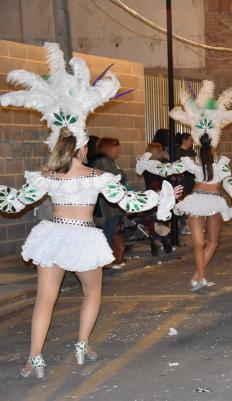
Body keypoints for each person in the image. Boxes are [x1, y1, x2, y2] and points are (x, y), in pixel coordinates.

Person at [0, 42, 179, 378]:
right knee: (92, 291)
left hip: (52, 236)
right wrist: (163, 196)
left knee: (45, 300)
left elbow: (12, 203)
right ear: (84, 146)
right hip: (82, 238)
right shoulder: (98, 176)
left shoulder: (46, 176)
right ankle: (82, 346)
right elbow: (131, 203)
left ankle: (34, 359)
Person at [136, 80, 232, 291]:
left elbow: (166, 169)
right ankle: (198, 276)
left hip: (197, 200)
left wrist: (146, 164)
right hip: (215, 201)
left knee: (198, 244)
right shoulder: (221, 162)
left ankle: (200, 277)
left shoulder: (192, 160)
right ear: (216, 137)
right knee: (213, 243)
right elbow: (229, 183)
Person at [91, 137, 128, 268]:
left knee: (108, 231)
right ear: (111, 148)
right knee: (108, 231)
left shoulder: (101, 160)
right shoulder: (104, 161)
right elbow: (116, 176)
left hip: (105, 204)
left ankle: (105, 259)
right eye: (117, 148)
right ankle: (104, 260)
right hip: (106, 205)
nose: (119, 151)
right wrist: (122, 173)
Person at [142, 142, 174, 256]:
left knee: (152, 219)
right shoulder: (159, 166)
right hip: (160, 195)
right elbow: (168, 175)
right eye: (160, 151)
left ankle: (154, 240)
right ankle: (164, 238)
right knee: (162, 218)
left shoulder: (145, 166)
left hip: (150, 195)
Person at [175, 132, 196, 235]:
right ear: (184, 140)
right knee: (182, 202)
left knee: (191, 203)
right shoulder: (177, 151)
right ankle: (183, 225)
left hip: (192, 180)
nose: (192, 142)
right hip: (182, 180)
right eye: (191, 140)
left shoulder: (191, 151)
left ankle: (191, 224)